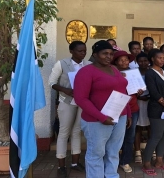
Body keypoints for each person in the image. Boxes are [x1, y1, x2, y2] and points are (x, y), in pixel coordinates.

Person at [74, 40, 132, 178]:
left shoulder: (114, 69)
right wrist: (101, 117)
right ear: (94, 54)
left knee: (113, 151)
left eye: (111, 54)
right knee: (96, 153)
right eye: (104, 53)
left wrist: (128, 113)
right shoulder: (86, 72)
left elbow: (123, 91)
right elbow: (81, 99)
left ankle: (111, 175)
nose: (108, 57)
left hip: (120, 116)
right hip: (96, 120)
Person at [48, 41, 91, 178]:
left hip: (82, 102)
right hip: (67, 101)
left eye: (84, 51)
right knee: (64, 132)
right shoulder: (62, 64)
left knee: (77, 131)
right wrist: (65, 90)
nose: (83, 53)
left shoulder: (88, 65)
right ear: (71, 51)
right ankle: (61, 165)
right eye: (80, 51)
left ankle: (75, 162)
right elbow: (52, 82)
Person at [142, 49, 164, 176]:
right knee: (156, 136)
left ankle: (159, 161)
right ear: (152, 59)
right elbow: (154, 93)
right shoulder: (150, 73)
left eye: (163, 58)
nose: (162, 60)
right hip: (157, 109)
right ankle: (146, 163)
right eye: (159, 58)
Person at [112, 51, 143, 173]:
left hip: (133, 108)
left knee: (130, 136)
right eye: (121, 60)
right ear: (115, 62)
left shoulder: (133, 73)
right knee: (114, 137)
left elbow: (136, 90)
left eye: (126, 59)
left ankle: (124, 161)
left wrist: (139, 91)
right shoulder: (111, 73)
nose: (124, 62)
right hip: (117, 109)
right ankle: (111, 161)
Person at [134, 52, 151, 164]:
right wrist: (137, 96)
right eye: (140, 61)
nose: (143, 63)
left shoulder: (152, 72)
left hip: (150, 102)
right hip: (137, 102)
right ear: (137, 62)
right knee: (138, 128)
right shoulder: (134, 73)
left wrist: (149, 96)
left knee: (150, 127)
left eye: (145, 61)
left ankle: (151, 150)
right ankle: (137, 151)